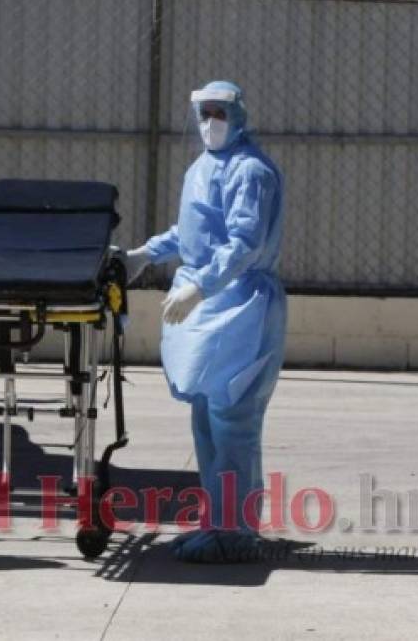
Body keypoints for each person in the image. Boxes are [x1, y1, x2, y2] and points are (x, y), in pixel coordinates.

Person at [124, 80, 286, 563]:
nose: (210, 121)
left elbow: (242, 244)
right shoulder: (202, 168)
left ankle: (235, 532)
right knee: (207, 419)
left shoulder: (251, 171)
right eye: (204, 111)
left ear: (239, 114)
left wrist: (202, 286)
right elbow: (193, 231)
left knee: (233, 419)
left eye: (219, 111)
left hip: (240, 305)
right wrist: (145, 255)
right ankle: (218, 522)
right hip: (208, 307)